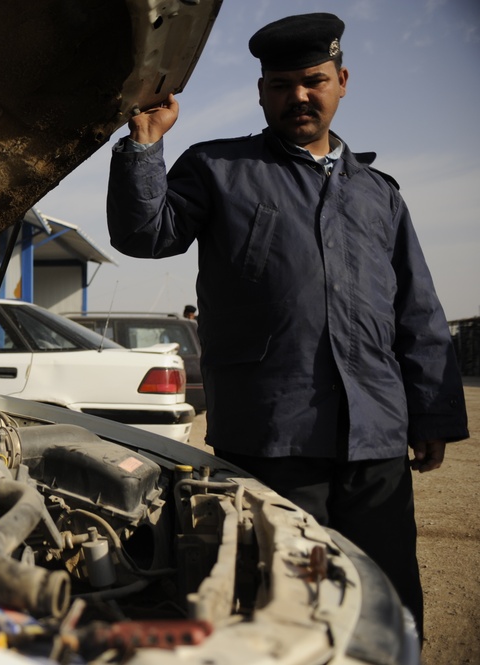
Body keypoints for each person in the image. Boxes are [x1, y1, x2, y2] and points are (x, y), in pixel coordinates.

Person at [106, 12, 469, 645]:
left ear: (341, 81)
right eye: (280, 84)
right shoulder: (219, 168)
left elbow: (417, 309)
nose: (298, 96)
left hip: (375, 437)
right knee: (278, 602)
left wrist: (432, 415)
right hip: (273, 433)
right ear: (261, 92)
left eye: (313, 80)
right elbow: (145, 233)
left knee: (386, 599)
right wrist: (144, 146)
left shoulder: (378, 194)